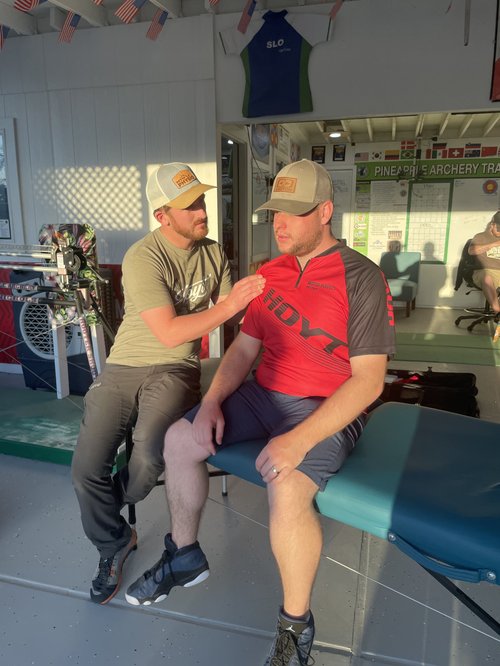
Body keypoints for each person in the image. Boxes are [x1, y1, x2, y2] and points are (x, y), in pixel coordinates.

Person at [125, 159, 396, 665]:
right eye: (276, 213)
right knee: (179, 439)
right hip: (264, 394)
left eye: (294, 213)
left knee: (285, 485)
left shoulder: (362, 277)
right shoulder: (268, 274)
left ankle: (295, 628)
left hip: (327, 404)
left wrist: (297, 440)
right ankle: (183, 555)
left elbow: (368, 382)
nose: (281, 224)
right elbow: (245, 350)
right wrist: (211, 402)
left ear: (325, 212)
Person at [71, 162, 265, 605]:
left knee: (149, 456)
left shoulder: (214, 253)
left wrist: (267, 290)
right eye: (189, 206)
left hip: (177, 368)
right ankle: (115, 541)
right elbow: (169, 332)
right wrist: (230, 304)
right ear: (163, 216)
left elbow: (234, 311)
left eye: (201, 200)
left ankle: (107, 510)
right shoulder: (143, 256)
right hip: (125, 366)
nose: (202, 211)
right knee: (85, 470)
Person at [468, 211, 500, 314]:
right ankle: (498, 312)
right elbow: (471, 251)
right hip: (484, 271)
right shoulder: (481, 236)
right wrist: (494, 244)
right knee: (487, 278)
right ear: (492, 225)